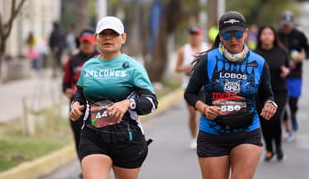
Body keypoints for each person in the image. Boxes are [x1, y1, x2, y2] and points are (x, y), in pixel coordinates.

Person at [184, 11, 278, 179]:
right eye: (227, 34)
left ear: (246, 33)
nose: (233, 39)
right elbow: (190, 93)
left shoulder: (259, 63)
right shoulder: (209, 60)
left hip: (247, 132)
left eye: (238, 34)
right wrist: (204, 108)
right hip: (213, 135)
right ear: (220, 36)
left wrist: (270, 104)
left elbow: (267, 95)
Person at [69, 16, 158, 179]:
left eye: (113, 34)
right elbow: (80, 93)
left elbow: (151, 102)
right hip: (93, 135)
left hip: (127, 138)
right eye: (103, 34)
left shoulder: (133, 67)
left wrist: (128, 103)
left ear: (123, 38)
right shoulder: (89, 66)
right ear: (96, 38)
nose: (108, 37)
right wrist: (75, 105)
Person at [62, 28, 100, 177]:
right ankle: (84, 167)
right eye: (83, 42)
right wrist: (67, 91)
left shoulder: (100, 58)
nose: (86, 45)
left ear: (94, 42)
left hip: (97, 106)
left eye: (89, 42)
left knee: (98, 137)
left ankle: (98, 166)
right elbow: (65, 83)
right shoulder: (72, 60)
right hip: (77, 106)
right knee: (80, 138)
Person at [255, 26, 290, 161]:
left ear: (274, 36)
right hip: (261, 94)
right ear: (260, 36)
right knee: (265, 121)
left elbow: (287, 67)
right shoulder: (255, 54)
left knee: (275, 118)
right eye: (264, 33)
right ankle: (269, 149)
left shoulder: (281, 52)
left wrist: (286, 72)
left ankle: (279, 146)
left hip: (279, 91)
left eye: (270, 33)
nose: (267, 36)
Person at [175, 26, 209, 149]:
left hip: (204, 86)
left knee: (204, 112)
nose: (195, 37)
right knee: (192, 113)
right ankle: (193, 138)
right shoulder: (183, 50)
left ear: (201, 35)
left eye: (198, 34)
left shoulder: (207, 48)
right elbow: (177, 68)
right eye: (193, 35)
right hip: (189, 85)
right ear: (190, 36)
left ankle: (202, 136)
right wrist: (186, 68)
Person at [277, 11, 309, 141]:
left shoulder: (299, 35)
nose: (286, 27)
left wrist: (303, 56)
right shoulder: (277, 35)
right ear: (281, 24)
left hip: (295, 74)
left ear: (293, 24)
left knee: (293, 102)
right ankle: (287, 128)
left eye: (288, 25)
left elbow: (308, 50)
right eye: (284, 25)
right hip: (280, 74)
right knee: (282, 103)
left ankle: (294, 115)